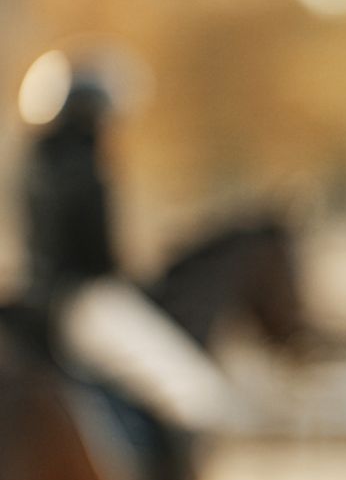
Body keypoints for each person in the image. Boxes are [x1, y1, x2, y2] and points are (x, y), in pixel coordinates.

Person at [20, 77, 233, 432]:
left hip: (42, 295)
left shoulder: (37, 161)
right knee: (194, 391)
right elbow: (95, 252)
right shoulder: (82, 166)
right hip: (83, 299)